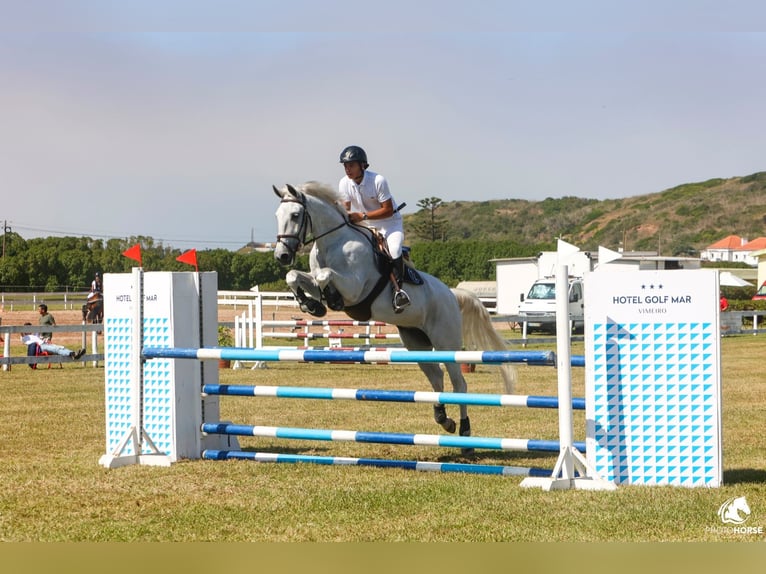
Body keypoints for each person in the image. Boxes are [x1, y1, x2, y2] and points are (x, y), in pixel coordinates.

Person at [338, 145, 410, 312]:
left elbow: (388, 210)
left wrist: (362, 216)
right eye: (345, 166)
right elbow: (346, 209)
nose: (347, 169)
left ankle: (398, 293)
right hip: (365, 224)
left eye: (351, 165)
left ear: (362, 165)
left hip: (389, 223)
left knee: (393, 250)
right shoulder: (344, 183)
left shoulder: (378, 181)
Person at [21, 323, 85, 361]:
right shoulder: (25, 338)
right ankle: (73, 354)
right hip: (40, 347)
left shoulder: (35, 334)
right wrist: (22, 330)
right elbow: (21, 336)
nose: (29, 330)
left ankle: (73, 353)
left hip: (45, 344)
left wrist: (46, 340)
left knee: (59, 347)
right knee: (56, 349)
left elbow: (41, 337)